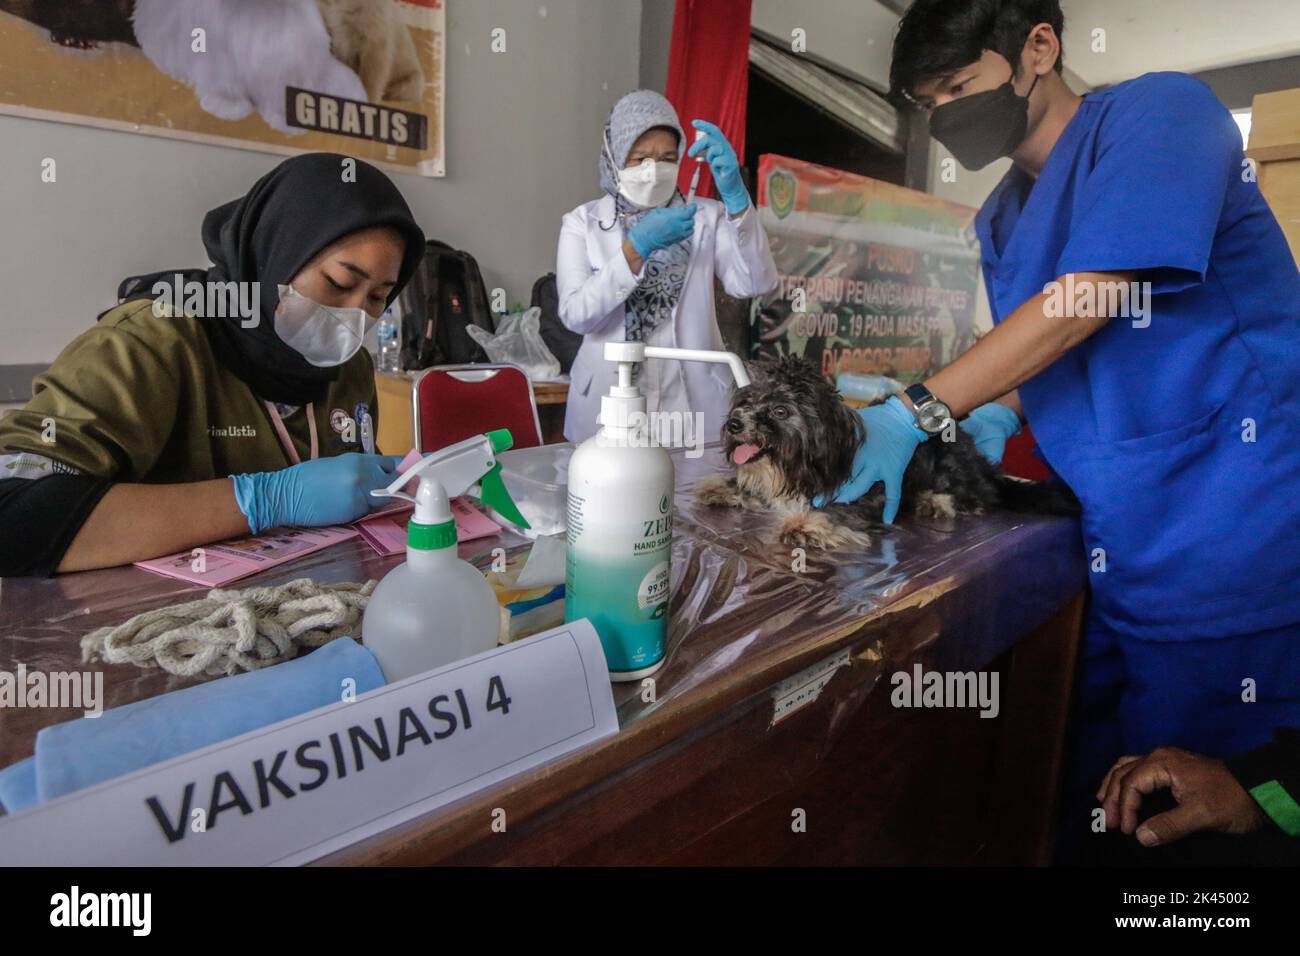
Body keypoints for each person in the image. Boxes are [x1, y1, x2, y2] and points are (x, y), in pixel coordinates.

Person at [831, 0, 1300, 854]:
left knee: (1214, 824)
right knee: (1078, 797)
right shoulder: (1003, 217)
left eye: (958, 87)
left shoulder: (1165, 114)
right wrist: (981, 413)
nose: (944, 120)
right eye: (927, 104)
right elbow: (1043, 353)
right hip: (1120, 554)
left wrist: (920, 407)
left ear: (1037, 48)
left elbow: (1089, 298)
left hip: (1239, 541)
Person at [0, 153, 426, 576]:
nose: (353, 317)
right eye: (340, 283)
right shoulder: (151, 343)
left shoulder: (348, 369)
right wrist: (262, 499)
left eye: (376, 298)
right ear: (274, 251)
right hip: (146, 627)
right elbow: (13, 513)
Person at [556, 89, 778, 444]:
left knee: (692, 497)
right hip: (607, 409)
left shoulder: (707, 216)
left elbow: (754, 282)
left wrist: (737, 203)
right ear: (614, 158)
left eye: (667, 157)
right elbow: (576, 314)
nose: (652, 170)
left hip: (692, 407)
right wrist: (636, 248)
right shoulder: (582, 223)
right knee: (610, 492)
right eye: (639, 157)